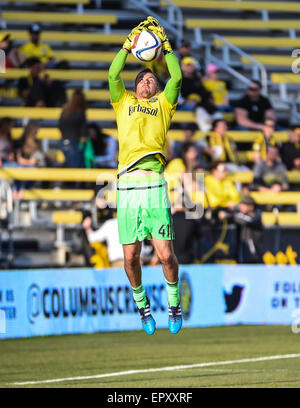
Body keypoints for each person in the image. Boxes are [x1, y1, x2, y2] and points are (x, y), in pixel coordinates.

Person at [108, 16, 182, 335]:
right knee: (131, 258)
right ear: (135, 85)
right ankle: (143, 309)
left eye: (152, 79)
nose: (147, 82)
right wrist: (128, 45)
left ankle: (174, 304)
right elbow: (113, 73)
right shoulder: (122, 101)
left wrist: (165, 46)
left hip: (153, 183)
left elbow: (176, 77)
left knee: (166, 254)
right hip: (127, 186)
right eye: (143, 79)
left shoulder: (164, 105)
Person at [58, 89, 87, 169]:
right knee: (77, 167)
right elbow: (83, 129)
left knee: (69, 166)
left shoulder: (65, 110)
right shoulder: (80, 112)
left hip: (63, 141)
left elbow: (60, 126)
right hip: (74, 143)